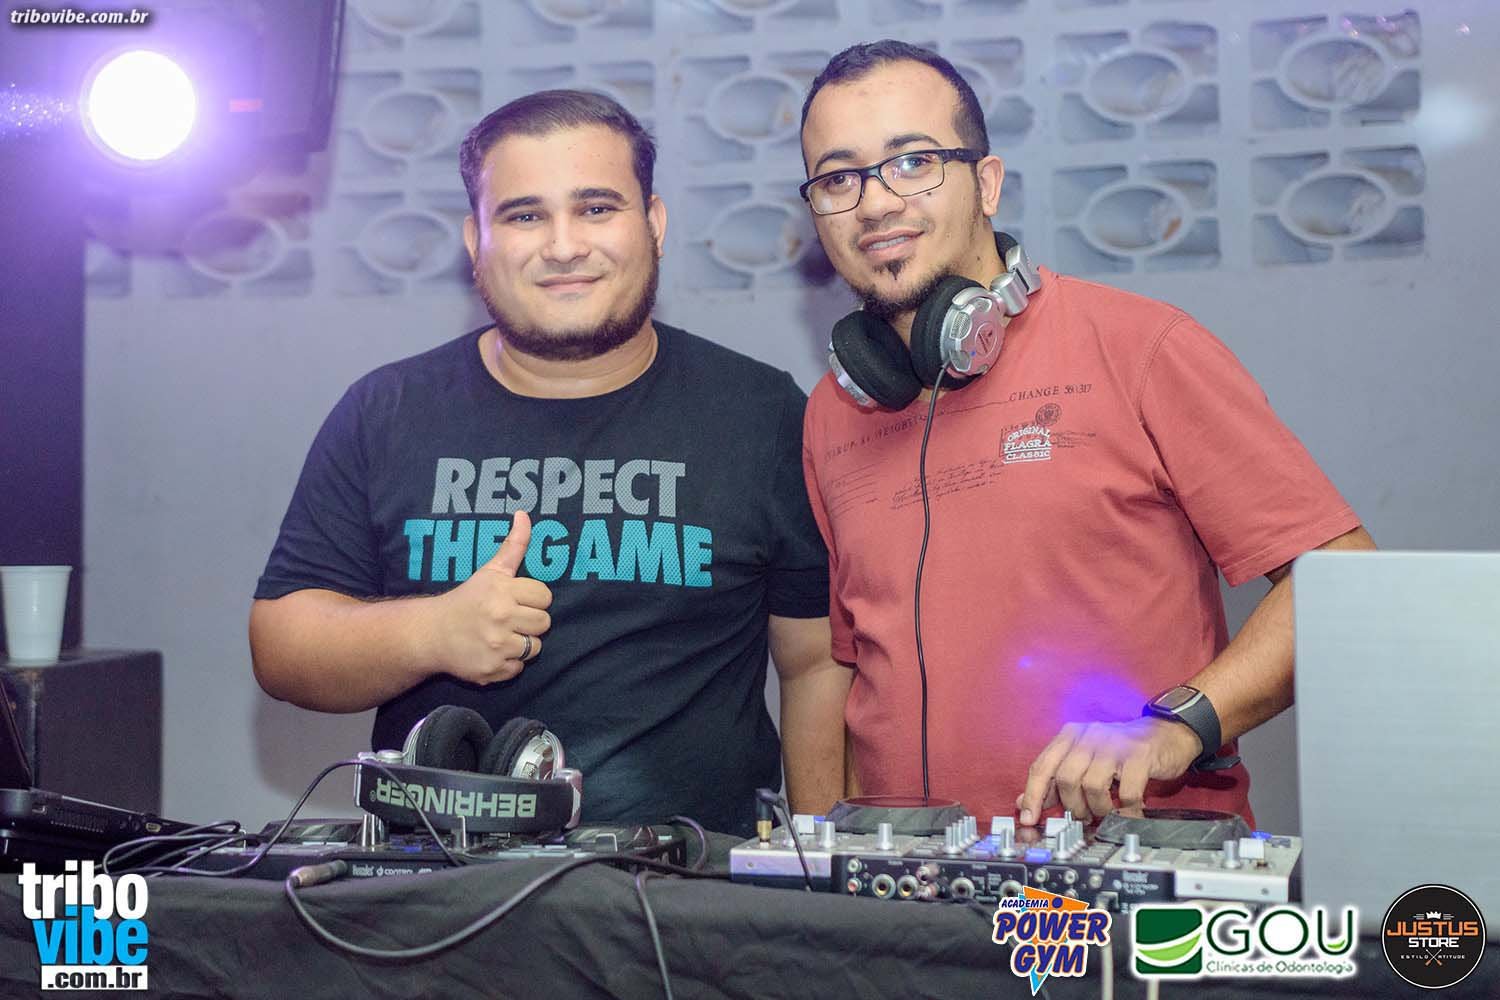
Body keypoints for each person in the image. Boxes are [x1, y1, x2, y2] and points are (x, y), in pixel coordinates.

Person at [796, 41, 1375, 828]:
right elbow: (853, 671)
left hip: (1125, 873)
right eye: (838, 178)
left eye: (913, 163)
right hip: (911, 886)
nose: (874, 203)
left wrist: (1178, 725)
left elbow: (1342, 582)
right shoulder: (834, 411)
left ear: (987, 183)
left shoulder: (1141, 348)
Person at [250, 90, 849, 837]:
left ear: (654, 225)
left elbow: (816, 664)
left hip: (687, 887)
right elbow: (282, 646)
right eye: (525, 216)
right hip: (433, 879)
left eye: (596, 208)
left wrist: (819, 868)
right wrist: (431, 632)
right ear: (476, 239)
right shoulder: (386, 411)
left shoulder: (762, 414)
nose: (564, 246)